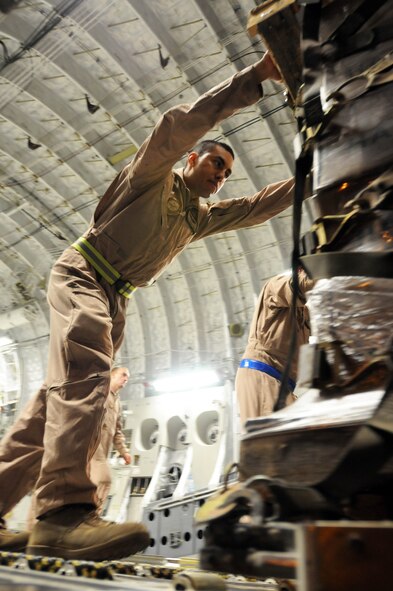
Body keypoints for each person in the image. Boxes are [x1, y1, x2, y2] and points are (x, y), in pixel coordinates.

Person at [0, 51, 295, 560]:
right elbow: (178, 125)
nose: (220, 175)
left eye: (226, 172)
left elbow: (256, 207)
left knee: (55, 400)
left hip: (117, 298)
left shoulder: (198, 218)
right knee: (89, 371)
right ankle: (62, 513)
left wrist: (309, 175)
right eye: (214, 163)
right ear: (190, 161)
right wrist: (256, 77)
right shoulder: (153, 175)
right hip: (84, 271)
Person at [236, 269, 314, 427]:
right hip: (263, 375)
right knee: (274, 441)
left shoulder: (303, 312)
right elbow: (304, 285)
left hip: (277, 381)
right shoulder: (275, 286)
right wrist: (336, 270)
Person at [89, 367, 132, 514]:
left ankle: (89, 515)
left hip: (103, 451)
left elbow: (117, 431)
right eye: (123, 375)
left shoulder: (117, 403)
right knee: (104, 480)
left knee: (92, 485)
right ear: (112, 375)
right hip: (91, 446)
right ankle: (92, 515)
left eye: (128, 377)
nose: (126, 379)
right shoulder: (99, 393)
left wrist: (124, 452)